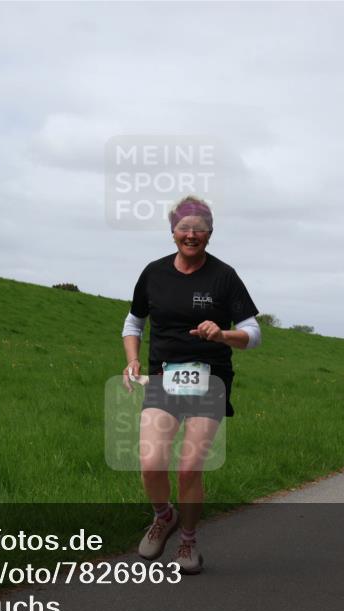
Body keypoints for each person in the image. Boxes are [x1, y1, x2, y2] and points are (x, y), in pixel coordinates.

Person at [121, 195, 261, 575]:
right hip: (164, 377)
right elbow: (133, 324)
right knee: (150, 463)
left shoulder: (224, 276)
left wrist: (223, 335)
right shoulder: (153, 273)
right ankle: (163, 515)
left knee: (188, 469)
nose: (191, 234)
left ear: (210, 233)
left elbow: (254, 333)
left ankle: (187, 541)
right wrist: (132, 360)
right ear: (172, 232)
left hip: (210, 379)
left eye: (199, 228)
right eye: (184, 227)